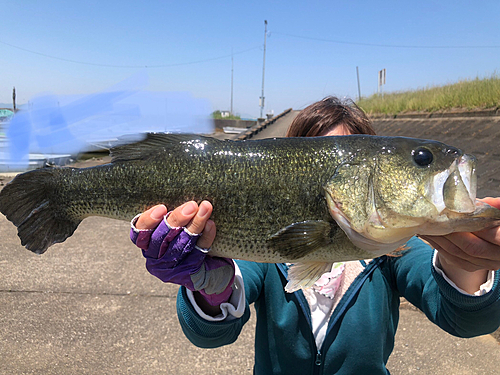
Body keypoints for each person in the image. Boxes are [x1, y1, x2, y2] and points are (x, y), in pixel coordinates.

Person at [130, 97, 500, 374]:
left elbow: (468, 320)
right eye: (421, 159)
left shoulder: (396, 246)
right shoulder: (270, 258)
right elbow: (210, 334)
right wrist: (209, 286)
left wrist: (464, 259)